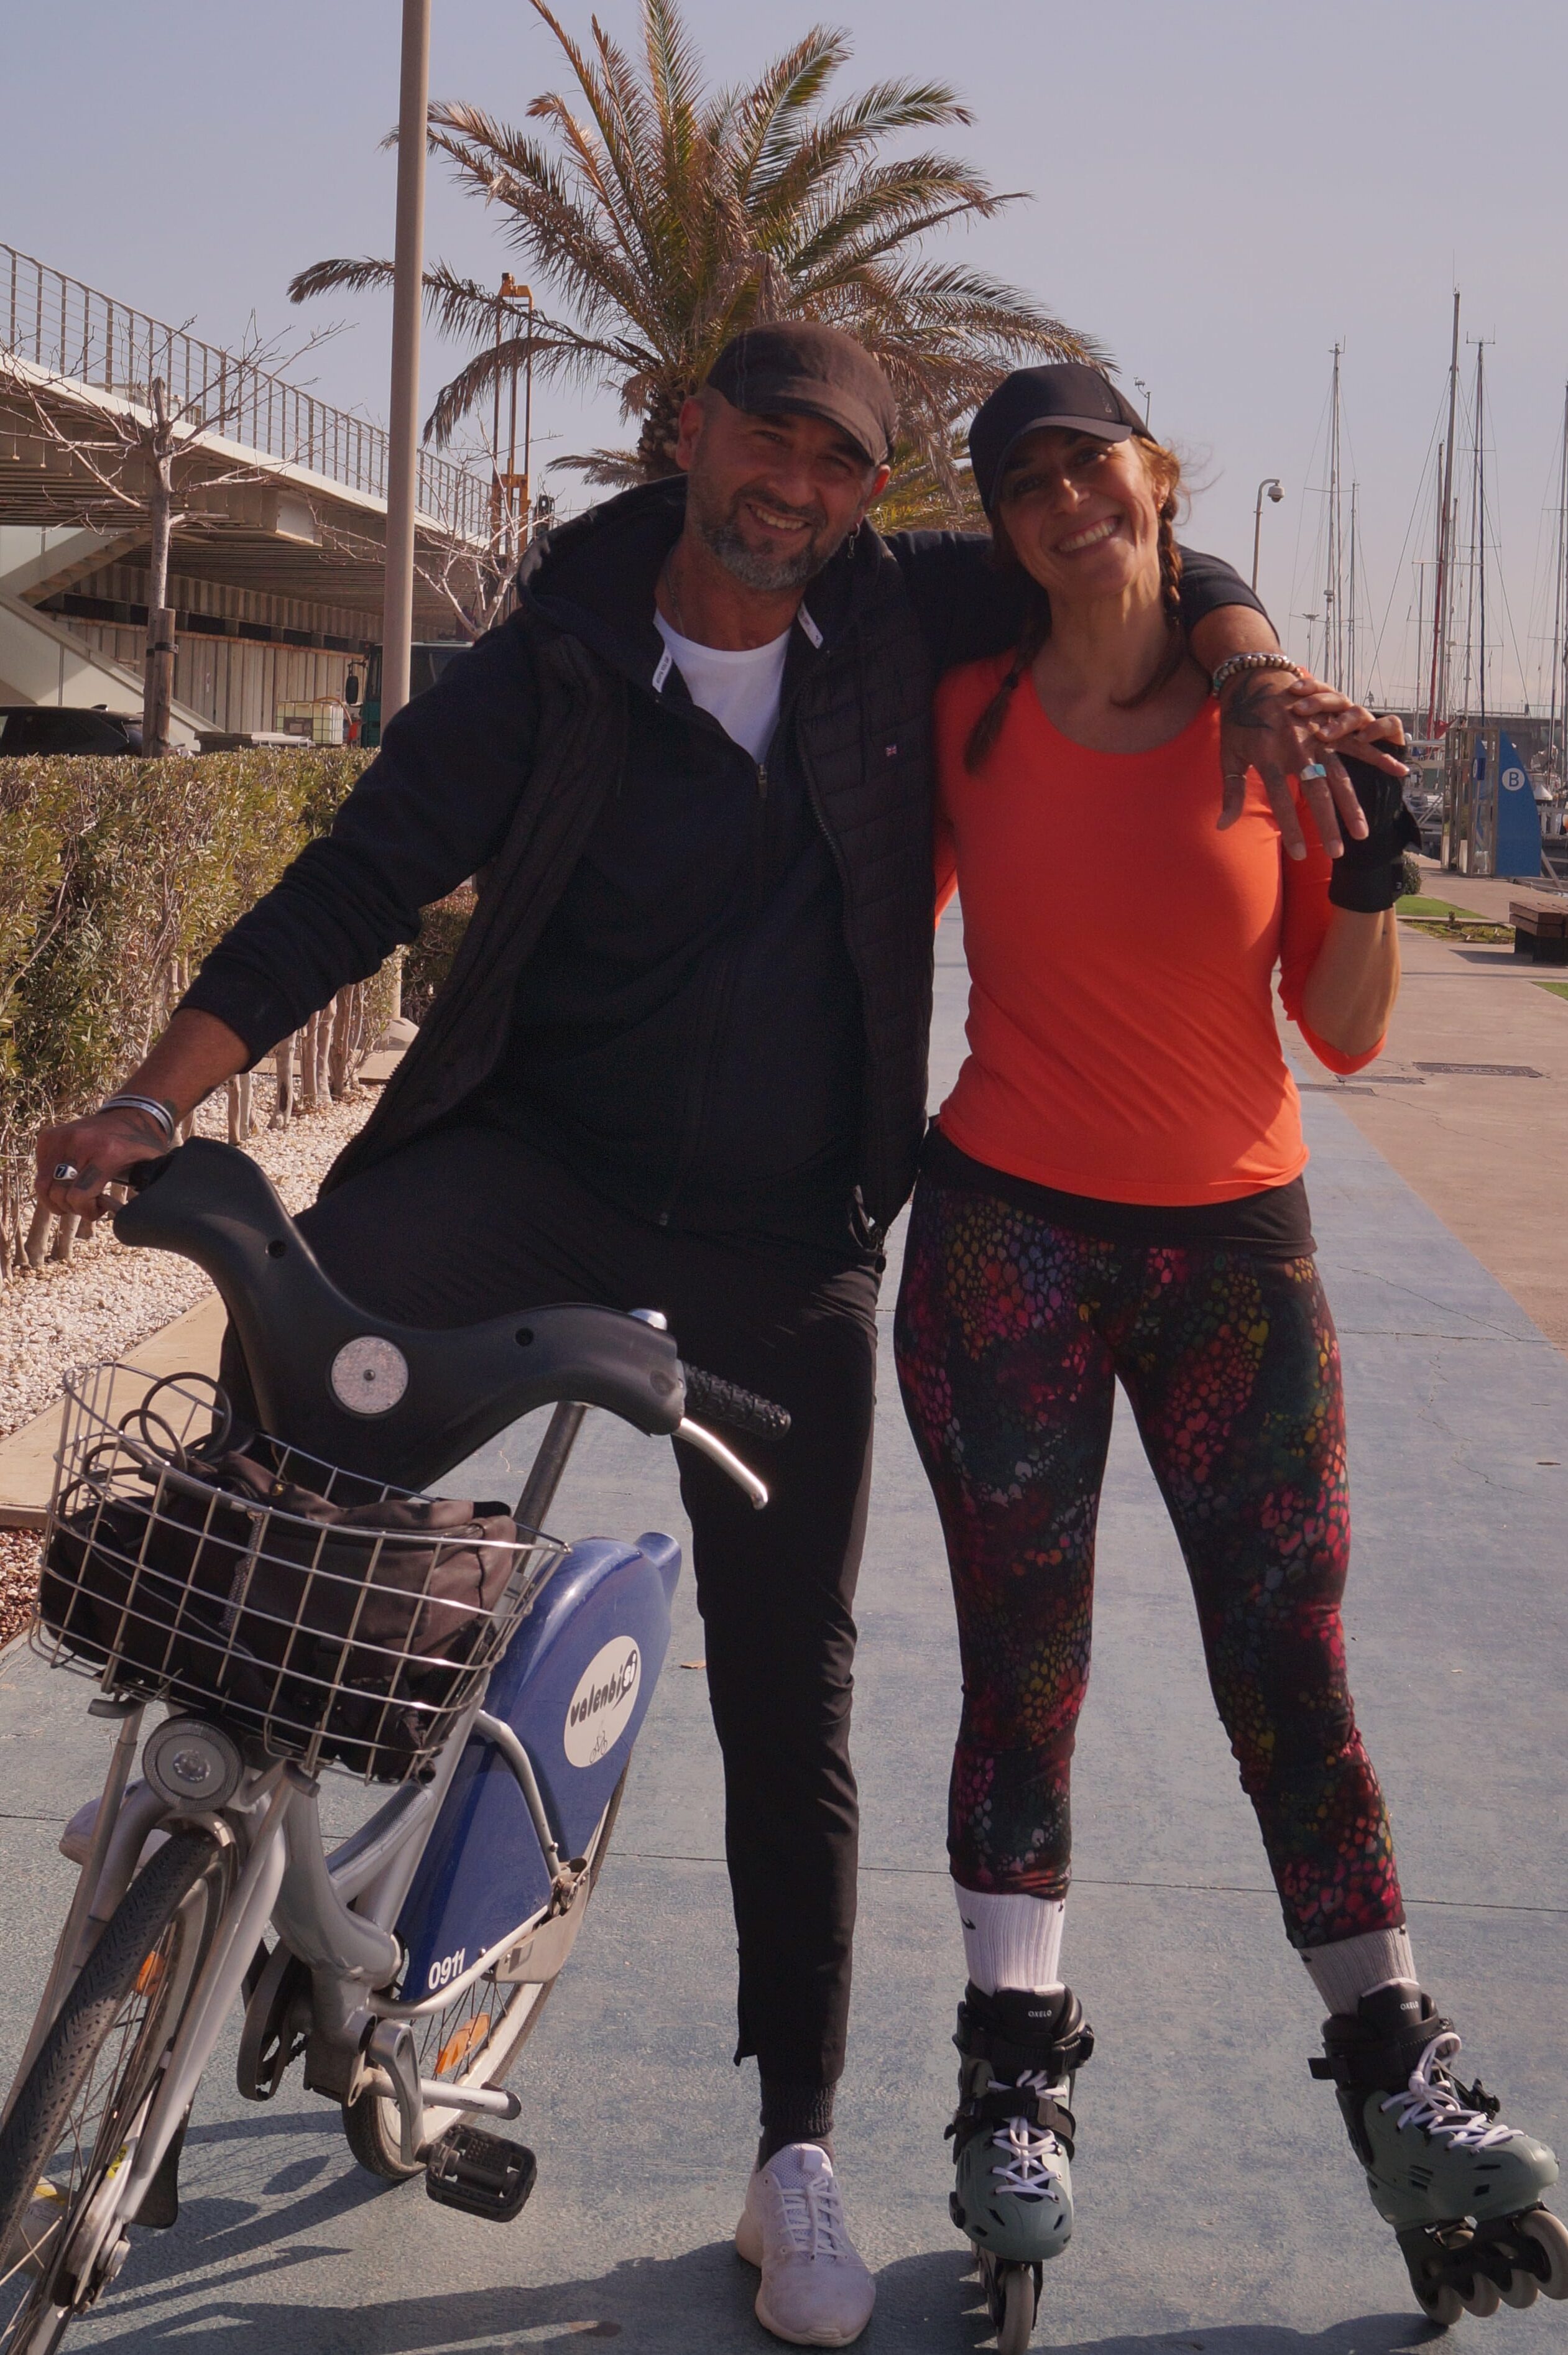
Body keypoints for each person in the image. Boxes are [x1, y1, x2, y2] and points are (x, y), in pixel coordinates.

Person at [38, 325, 1382, 2350]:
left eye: (840, 461)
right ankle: (228, 1797)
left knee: (788, 1678)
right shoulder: (558, 653)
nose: (798, 486)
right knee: (306, 1337)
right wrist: (158, 1095)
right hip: (533, 1161)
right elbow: (355, 879)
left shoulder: (894, 607)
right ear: (690, 436)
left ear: (868, 494)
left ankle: (795, 2148)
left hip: (785, 1229)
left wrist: (1252, 648)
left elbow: (1131, 544)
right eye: (769, 439)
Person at [893, 362, 1564, 2329]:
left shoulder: (1277, 725)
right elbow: (869, 923)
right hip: (1004, 1242)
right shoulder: (969, 710)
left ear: (1156, 479)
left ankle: (1396, 2062)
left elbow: (1341, 1027)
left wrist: (1367, 873)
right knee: (1023, 1669)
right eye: (1021, 482)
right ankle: (1012, 2081)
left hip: (1234, 1260)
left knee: (1290, 1662)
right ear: (1000, 526)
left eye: (1087, 465)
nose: (1060, 500)